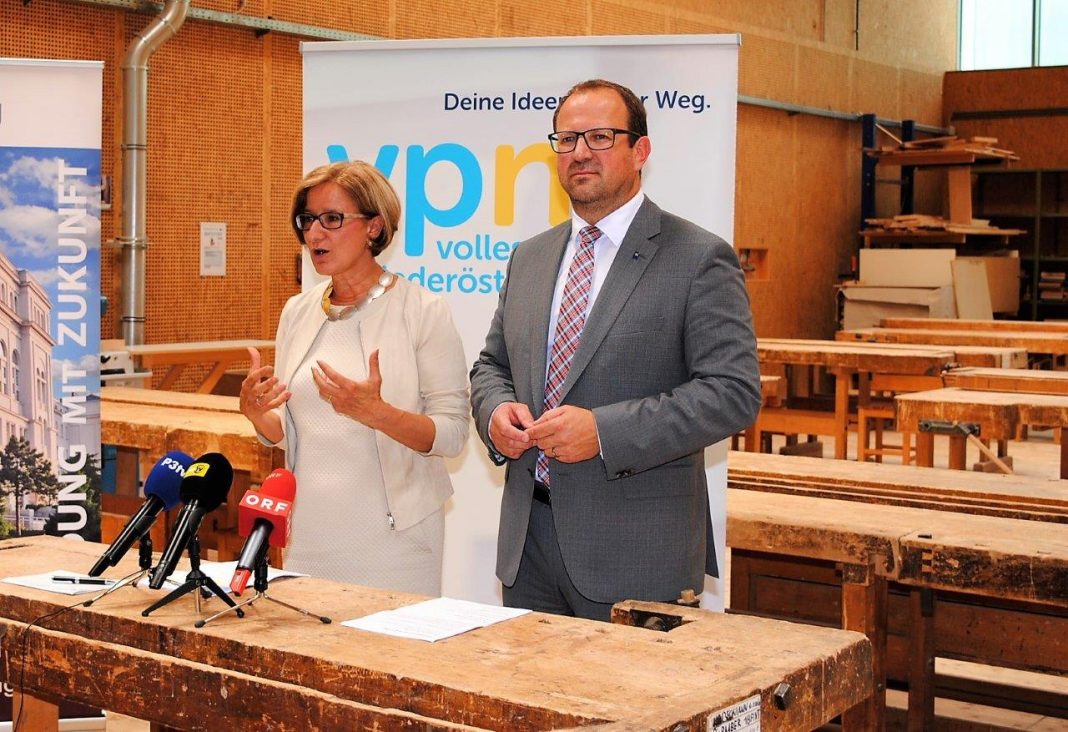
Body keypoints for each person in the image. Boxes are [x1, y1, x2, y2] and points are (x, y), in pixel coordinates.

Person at [470, 79, 762, 621]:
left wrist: (604, 432)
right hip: (528, 547)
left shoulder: (698, 257)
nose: (580, 152)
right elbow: (492, 365)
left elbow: (732, 394)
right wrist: (494, 413)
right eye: (567, 139)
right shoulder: (530, 258)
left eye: (600, 137)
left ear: (640, 150)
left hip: (638, 554)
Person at [240, 161, 469, 596]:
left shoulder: (422, 310)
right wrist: (256, 413)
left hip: (396, 542)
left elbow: (453, 434)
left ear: (374, 227)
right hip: (309, 534)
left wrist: (377, 413)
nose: (314, 234)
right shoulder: (298, 312)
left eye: (332, 219)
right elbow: (293, 434)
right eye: (307, 220)